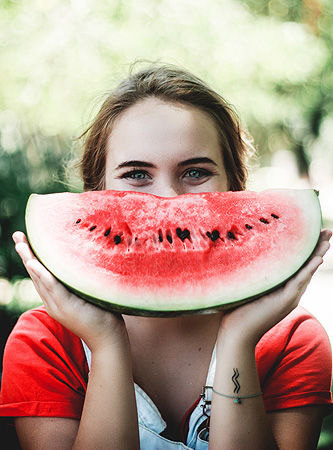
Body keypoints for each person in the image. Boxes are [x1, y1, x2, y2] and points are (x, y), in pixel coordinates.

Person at [0, 63, 332, 450]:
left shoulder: (291, 340)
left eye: (195, 172)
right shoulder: (46, 342)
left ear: (235, 188)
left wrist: (239, 339)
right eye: (137, 174)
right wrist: (106, 344)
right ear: (96, 192)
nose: (168, 202)